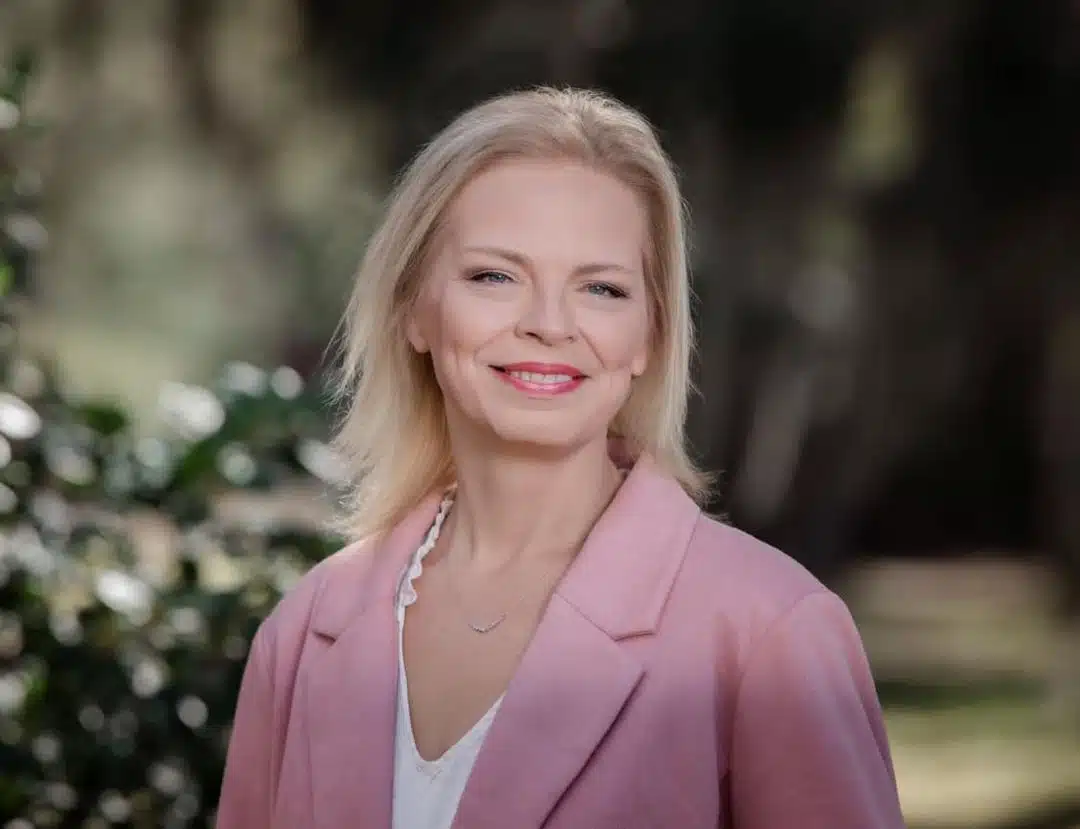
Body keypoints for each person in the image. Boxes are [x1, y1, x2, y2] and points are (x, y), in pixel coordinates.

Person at [216, 87, 906, 829]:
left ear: (648, 335)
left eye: (601, 288)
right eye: (495, 276)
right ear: (412, 307)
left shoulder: (770, 633)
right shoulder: (304, 632)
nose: (549, 324)